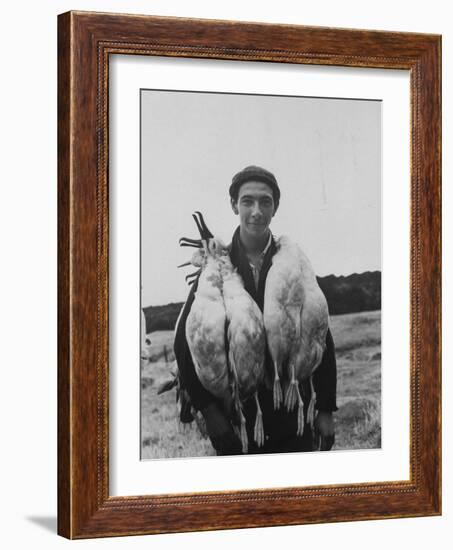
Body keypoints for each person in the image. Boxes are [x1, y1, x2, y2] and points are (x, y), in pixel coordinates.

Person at [174, 166, 337, 455]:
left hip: (292, 414)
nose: (257, 211)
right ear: (234, 204)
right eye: (247, 201)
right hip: (238, 420)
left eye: (266, 201)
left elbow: (320, 334)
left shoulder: (293, 263)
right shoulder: (218, 265)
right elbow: (184, 344)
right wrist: (210, 412)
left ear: (276, 206)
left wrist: (325, 408)